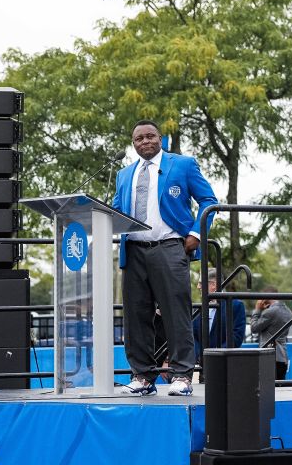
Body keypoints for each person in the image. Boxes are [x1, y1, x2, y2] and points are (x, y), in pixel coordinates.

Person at [113, 119, 218, 396]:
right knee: (136, 317)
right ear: (133, 144)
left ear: (160, 139)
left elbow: (209, 200)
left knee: (176, 313)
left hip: (170, 247)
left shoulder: (181, 164)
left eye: (150, 136)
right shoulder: (124, 174)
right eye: (139, 139)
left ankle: (182, 375)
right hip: (133, 250)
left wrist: (196, 233)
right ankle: (143, 377)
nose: (145, 142)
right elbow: (114, 211)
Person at [195, 268, 247, 351]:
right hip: (199, 361)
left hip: (224, 360)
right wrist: (199, 355)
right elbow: (193, 336)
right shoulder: (198, 308)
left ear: (214, 285)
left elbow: (237, 336)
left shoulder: (235, 305)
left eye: (201, 283)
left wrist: (216, 354)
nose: (198, 287)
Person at [249, 287, 292, 380]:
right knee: (280, 388)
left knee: (267, 388)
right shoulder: (288, 311)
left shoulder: (270, 312)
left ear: (265, 298)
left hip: (269, 356)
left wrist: (257, 310)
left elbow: (254, 328)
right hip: (283, 356)